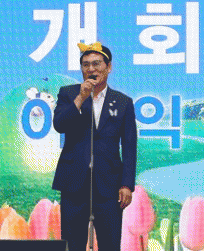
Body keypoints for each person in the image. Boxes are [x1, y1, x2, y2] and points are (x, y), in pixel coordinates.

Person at [52, 42, 137, 251]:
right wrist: (81, 97)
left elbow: (129, 146)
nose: (91, 69)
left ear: (109, 67)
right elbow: (60, 125)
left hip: (109, 186)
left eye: (97, 64)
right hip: (74, 182)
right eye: (86, 64)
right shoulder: (68, 93)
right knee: (72, 244)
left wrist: (127, 184)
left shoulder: (123, 102)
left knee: (110, 244)